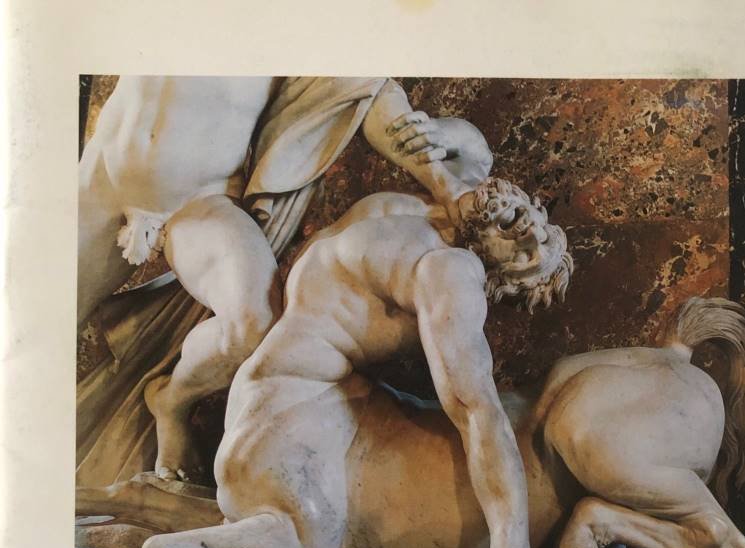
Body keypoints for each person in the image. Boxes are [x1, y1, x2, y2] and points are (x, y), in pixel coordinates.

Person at [138, 177, 583, 548]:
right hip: (292, 411)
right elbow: (477, 410)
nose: (531, 235)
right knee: (305, 547)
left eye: (528, 255)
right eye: (543, 230)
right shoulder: (451, 270)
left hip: (264, 396)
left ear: (504, 280)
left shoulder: (404, 207)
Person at [77, 76, 493, 484]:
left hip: (198, 203)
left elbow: (362, 87)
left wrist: (448, 184)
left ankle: (170, 401)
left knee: (254, 323)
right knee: (42, 325)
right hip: (101, 183)